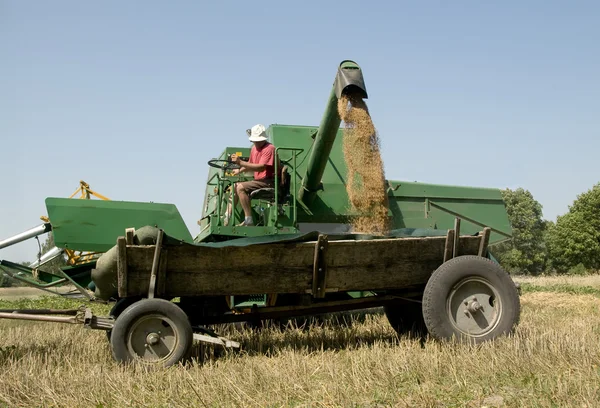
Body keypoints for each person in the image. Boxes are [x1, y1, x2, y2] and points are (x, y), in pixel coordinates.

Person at [225, 124, 276, 226]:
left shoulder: (269, 149)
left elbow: (261, 167)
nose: (255, 143)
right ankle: (226, 216)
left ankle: (249, 220)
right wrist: (239, 170)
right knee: (234, 186)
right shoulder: (254, 149)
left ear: (263, 139)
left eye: (258, 141)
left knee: (240, 188)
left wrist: (240, 162)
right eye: (254, 141)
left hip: (268, 182)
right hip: (258, 181)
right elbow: (250, 164)